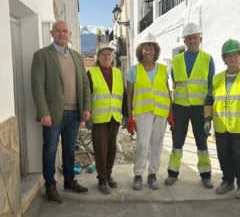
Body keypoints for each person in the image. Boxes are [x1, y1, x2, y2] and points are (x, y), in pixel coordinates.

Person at [31, 21, 91, 204]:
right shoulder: (42, 55)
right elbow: (37, 86)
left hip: (74, 113)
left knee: (69, 149)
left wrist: (86, 107)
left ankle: (69, 180)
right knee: (50, 149)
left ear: (70, 35)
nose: (62, 34)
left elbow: (84, 84)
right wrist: (43, 112)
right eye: (58, 31)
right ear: (52, 33)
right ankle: (50, 185)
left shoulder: (76, 56)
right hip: (53, 113)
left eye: (65, 31)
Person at [204, 39, 240, 199]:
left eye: (235, 55)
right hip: (221, 126)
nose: (232, 58)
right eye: (228, 56)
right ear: (224, 59)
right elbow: (209, 100)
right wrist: (207, 120)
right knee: (223, 155)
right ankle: (228, 181)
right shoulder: (216, 79)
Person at [165, 23, 215, 189]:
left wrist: (209, 113)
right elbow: (174, 84)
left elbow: (211, 87)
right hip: (180, 107)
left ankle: (206, 174)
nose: (192, 41)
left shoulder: (207, 59)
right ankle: (172, 173)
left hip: (199, 107)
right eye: (189, 38)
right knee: (177, 140)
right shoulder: (177, 60)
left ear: (200, 39)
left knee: (201, 140)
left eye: (195, 37)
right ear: (185, 41)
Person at [127, 32, 174, 190]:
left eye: (151, 48)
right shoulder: (134, 70)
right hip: (142, 112)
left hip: (160, 112)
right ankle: (138, 174)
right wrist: (129, 117)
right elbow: (129, 95)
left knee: (157, 144)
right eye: (145, 48)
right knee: (142, 144)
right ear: (140, 51)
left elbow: (167, 92)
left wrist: (170, 113)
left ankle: (152, 174)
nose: (148, 51)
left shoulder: (162, 69)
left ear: (156, 51)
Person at [87, 43, 127, 194]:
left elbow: (122, 93)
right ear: (98, 57)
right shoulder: (92, 73)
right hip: (99, 117)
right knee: (100, 148)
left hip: (114, 116)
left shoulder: (117, 72)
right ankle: (102, 179)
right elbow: (87, 95)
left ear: (112, 57)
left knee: (111, 148)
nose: (106, 56)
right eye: (103, 54)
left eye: (109, 54)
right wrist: (87, 114)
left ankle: (109, 174)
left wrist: (126, 114)